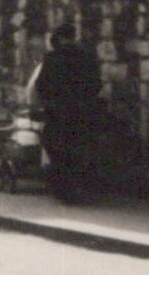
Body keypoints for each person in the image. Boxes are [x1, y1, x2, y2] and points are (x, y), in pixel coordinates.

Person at [32, 22, 102, 203]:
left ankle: (63, 190)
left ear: (60, 38)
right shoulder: (87, 57)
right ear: (73, 37)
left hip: (58, 112)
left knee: (57, 149)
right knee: (78, 149)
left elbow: (41, 85)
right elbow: (96, 84)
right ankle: (77, 188)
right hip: (82, 112)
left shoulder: (52, 58)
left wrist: (50, 101)